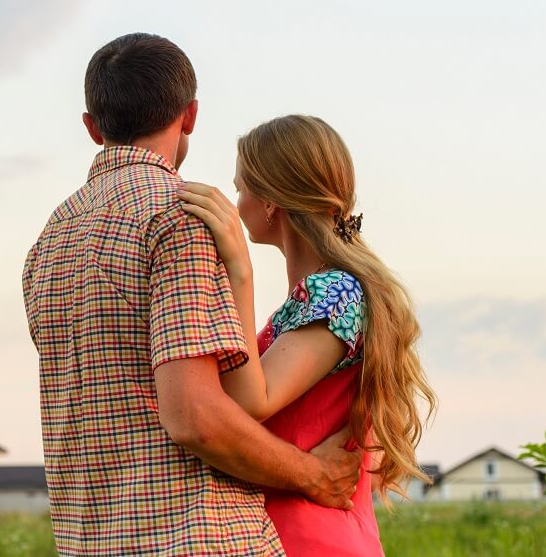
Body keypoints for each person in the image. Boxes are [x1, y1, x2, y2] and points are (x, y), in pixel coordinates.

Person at [22, 33, 361, 556]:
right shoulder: (182, 219)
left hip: (87, 542)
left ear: (92, 127)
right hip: (196, 537)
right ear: (191, 115)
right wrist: (313, 475)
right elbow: (194, 417)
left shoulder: (47, 241)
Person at [177, 114, 438, 556]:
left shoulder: (335, 292)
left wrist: (239, 270)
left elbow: (250, 402)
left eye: (240, 188)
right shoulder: (318, 296)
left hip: (308, 538)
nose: (236, 205)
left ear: (270, 202)